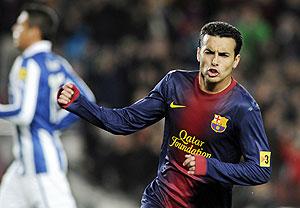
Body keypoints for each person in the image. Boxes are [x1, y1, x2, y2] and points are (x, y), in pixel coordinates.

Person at [57, 21, 271, 208]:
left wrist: (209, 166)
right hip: (161, 198)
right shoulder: (175, 84)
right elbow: (125, 122)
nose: (215, 61)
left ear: (235, 61)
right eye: (209, 52)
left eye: (224, 55)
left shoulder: (244, 108)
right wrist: (79, 104)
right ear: (198, 53)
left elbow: (260, 170)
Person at [0, 3, 94, 208]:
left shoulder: (28, 63)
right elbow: (87, 99)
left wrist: (50, 125)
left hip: (40, 165)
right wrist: (55, 124)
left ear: (34, 31)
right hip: (24, 165)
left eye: (20, 25)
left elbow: (24, 114)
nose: (15, 30)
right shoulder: (57, 62)